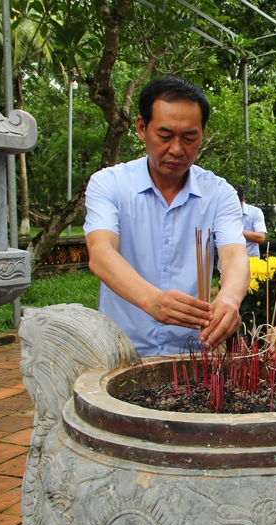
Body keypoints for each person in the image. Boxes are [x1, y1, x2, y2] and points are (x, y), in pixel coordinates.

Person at [84, 76, 250, 356]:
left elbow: (234, 255)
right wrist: (151, 300)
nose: (176, 149)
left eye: (189, 138)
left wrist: (230, 298)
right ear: (141, 128)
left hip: (192, 352)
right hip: (120, 351)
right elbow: (100, 252)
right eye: (165, 136)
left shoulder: (219, 193)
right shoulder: (110, 184)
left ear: (202, 133)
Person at [234, 185, 267, 258]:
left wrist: (237, 231)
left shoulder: (255, 212)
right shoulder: (220, 213)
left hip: (251, 261)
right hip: (227, 261)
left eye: (236, 204)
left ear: (243, 199)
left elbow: (261, 237)